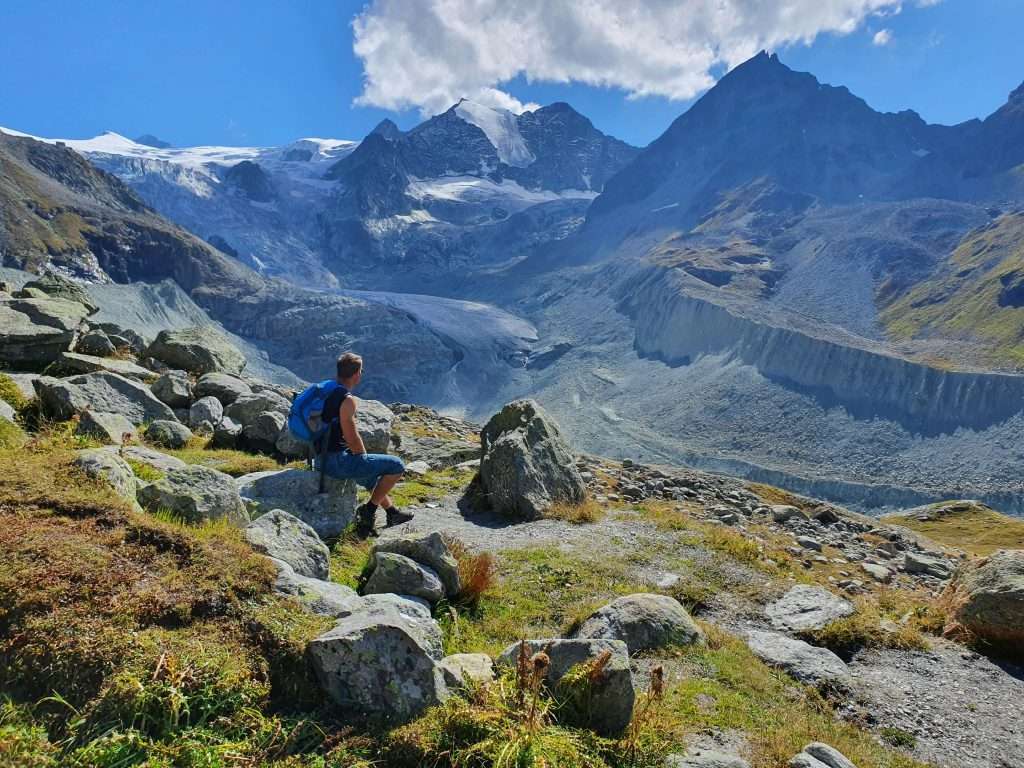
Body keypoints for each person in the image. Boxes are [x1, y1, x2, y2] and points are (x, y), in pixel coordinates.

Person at [318, 352, 413, 537]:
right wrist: (363, 459)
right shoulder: (346, 400)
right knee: (397, 465)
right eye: (361, 371)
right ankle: (368, 510)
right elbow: (352, 438)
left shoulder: (326, 390)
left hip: (319, 458)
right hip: (336, 463)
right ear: (356, 375)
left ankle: (392, 512)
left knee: (369, 477)